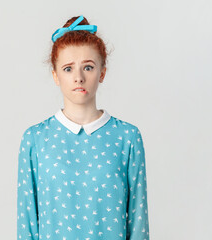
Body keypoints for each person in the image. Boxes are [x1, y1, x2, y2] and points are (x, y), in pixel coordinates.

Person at [17, 15, 150, 240]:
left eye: (88, 67)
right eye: (68, 69)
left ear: (102, 72)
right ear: (55, 75)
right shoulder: (35, 140)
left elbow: (138, 226)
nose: (78, 77)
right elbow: (27, 225)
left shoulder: (127, 138)